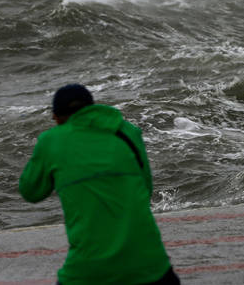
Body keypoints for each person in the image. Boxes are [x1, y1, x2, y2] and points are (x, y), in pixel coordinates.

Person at [19, 84, 179, 284]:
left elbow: (30, 191)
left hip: (90, 269)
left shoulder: (51, 141)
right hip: (151, 265)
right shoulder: (128, 132)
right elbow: (146, 189)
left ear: (58, 117)